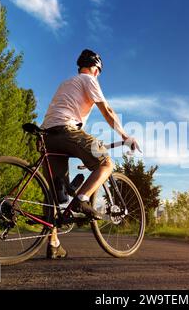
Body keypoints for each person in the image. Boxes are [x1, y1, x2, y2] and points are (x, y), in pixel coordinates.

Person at [41, 49, 141, 259]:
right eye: (99, 72)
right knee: (106, 162)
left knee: (56, 197)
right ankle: (82, 198)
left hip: (47, 137)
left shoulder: (67, 83)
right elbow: (108, 111)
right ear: (95, 69)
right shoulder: (89, 79)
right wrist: (125, 136)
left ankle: (54, 243)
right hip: (68, 131)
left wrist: (86, 155)